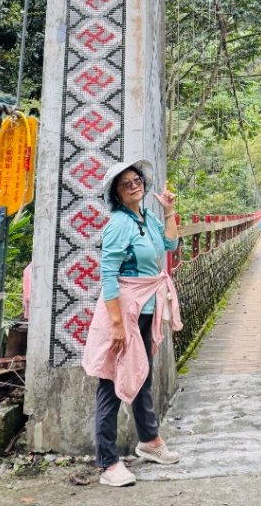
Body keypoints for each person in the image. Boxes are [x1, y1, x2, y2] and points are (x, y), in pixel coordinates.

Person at [83, 159, 181, 487]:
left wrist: (169, 211)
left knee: (143, 375)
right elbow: (108, 274)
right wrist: (116, 324)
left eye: (136, 179)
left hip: (146, 306)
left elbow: (170, 244)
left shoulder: (147, 217)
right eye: (125, 183)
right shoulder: (118, 224)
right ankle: (108, 462)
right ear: (117, 193)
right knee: (112, 381)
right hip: (124, 310)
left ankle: (149, 441)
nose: (134, 185)